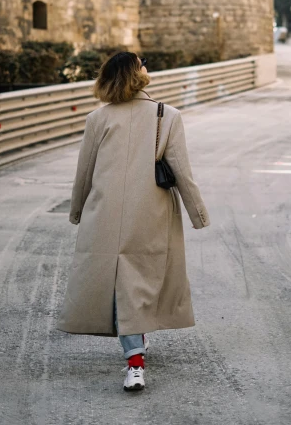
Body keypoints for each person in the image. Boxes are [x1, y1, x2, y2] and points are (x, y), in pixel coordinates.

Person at [56, 51, 210, 392]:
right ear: (136, 74)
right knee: (139, 280)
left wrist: (77, 210)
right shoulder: (166, 115)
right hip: (151, 212)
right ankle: (135, 361)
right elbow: (181, 170)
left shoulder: (98, 118)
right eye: (143, 64)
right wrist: (197, 213)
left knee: (119, 284)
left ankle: (135, 354)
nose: (146, 68)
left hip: (105, 213)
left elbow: (85, 171)